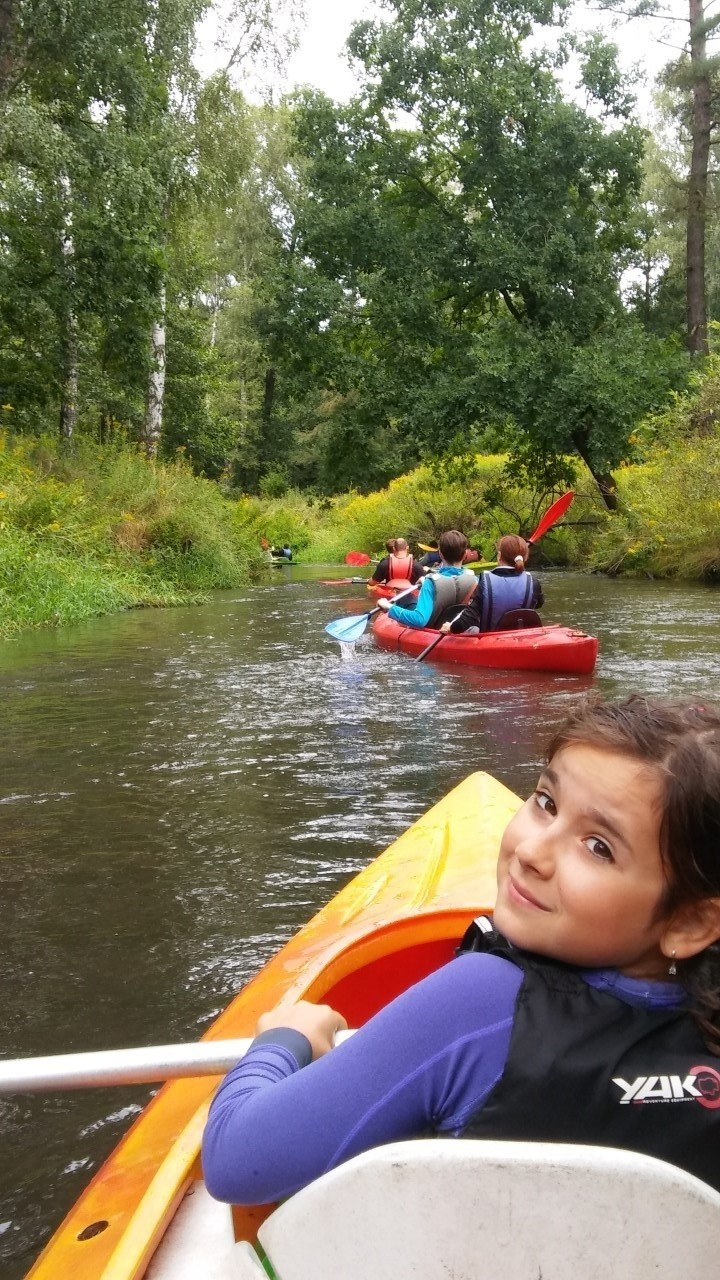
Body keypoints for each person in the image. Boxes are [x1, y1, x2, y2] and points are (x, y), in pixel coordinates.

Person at [202, 696, 720, 1206]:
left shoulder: (480, 1004)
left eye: (598, 846)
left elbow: (234, 1160)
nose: (531, 851)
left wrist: (283, 1043)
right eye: (545, 803)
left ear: (691, 921)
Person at [440, 534, 543, 635]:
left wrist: (451, 628)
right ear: (525, 558)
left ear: (499, 556)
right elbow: (539, 604)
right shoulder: (533, 583)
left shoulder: (485, 582)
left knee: (474, 627)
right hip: (521, 639)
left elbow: (467, 619)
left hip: (491, 641)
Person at [375, 530, 477, 629]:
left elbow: (420, 620)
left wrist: (389, 607)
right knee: (408, 598)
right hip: (458, 627)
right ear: (464, 555)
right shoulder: (474, 579)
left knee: (404, 598)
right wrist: (426, 580)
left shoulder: (431, 583)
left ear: (440, 554)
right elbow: (452, 581)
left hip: (434, 630)